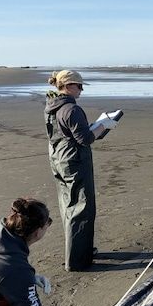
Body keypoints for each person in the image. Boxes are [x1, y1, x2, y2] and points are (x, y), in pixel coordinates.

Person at [45, 70, 117, 271]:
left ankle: (81, 250)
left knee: (69, 206)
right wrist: (103, 126)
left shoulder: (52, 105)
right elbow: (85, 139)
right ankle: (77, 260)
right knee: (82, 208)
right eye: (79, 86)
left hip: (59, 159)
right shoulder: (71, 109)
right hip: (74, 161)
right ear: (67, 86)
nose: (81, 90)